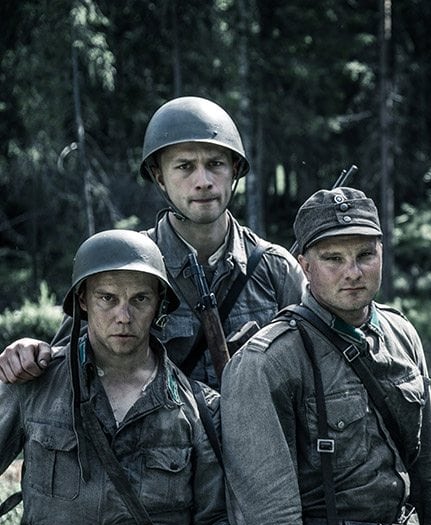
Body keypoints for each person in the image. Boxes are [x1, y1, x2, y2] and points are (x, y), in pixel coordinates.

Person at [0, 230, 255, 525]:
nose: (123, 315)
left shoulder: (197, 408)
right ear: (82, 301)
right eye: (107, 298)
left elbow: (220, 519)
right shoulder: (34, 385)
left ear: (159, 305)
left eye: (140, 298)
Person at [219, 186, 431, 525]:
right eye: (333, 258)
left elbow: (428, 471)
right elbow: (267, 519)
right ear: (303, 264)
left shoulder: (401, 335)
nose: (353, 272)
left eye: (365, 255)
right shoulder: (269, 361)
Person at [0, 95, 304, 388]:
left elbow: (316, 364)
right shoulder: (126, 263)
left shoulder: (275, 269)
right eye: (185, 166)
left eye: (215, 164)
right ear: (160, 178)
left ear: (234, 170)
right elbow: (68, 361)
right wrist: (31, 352)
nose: (203, 181)